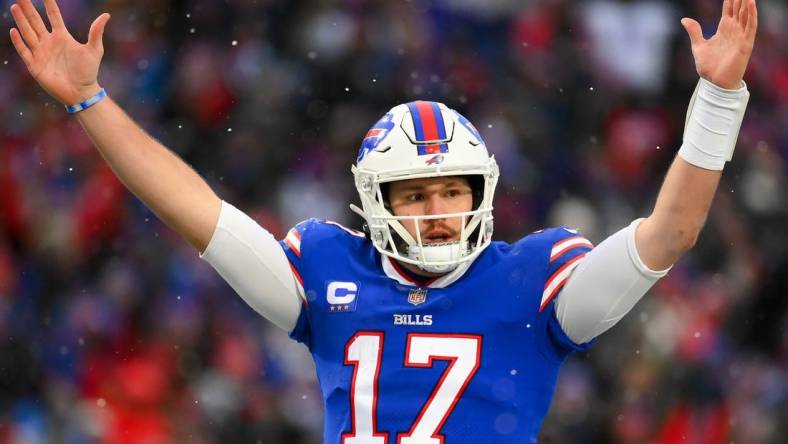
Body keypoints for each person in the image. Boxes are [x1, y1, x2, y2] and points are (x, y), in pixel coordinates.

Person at [8, 0, 757, 442]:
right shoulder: (330, 272)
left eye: (451, 190)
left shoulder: (533, 281)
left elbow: (671, 233)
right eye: (415, 195)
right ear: (377, 204)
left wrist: (719, 100)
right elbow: (195, 212)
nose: (438, 212)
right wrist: (92, 103)